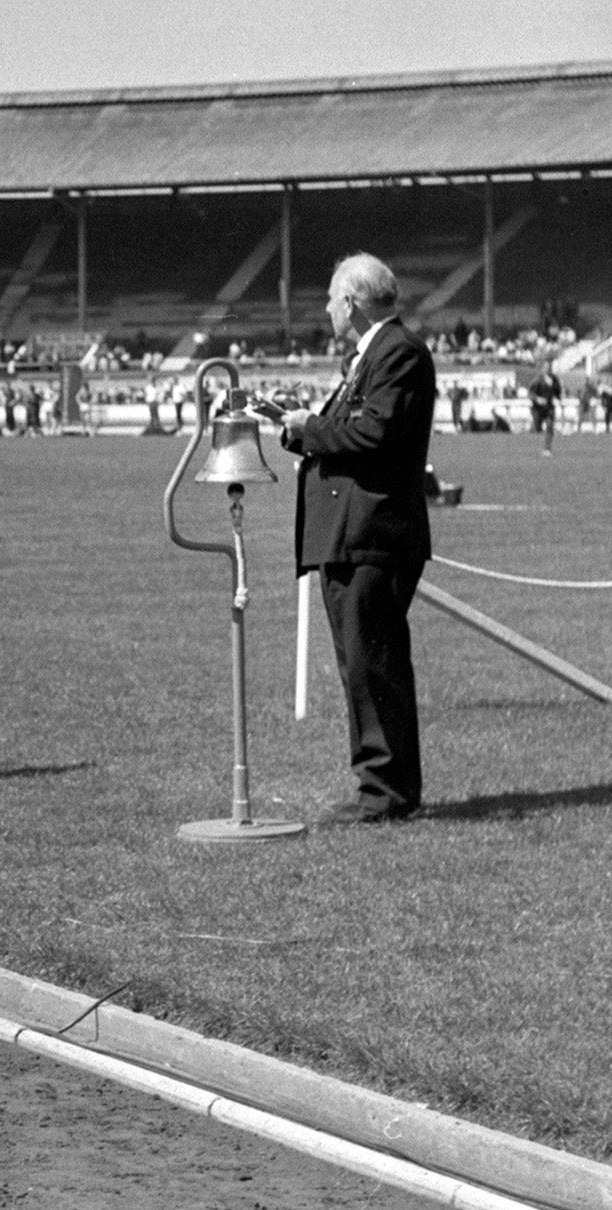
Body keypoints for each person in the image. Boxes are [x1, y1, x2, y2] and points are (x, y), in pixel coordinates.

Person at [280, 253, 435, 825]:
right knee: (363, 664)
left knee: (373, 664)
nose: (326, 310)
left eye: (329, 299)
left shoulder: (397, 352)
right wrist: (304, 431)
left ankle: (386, 792)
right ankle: (380, 786)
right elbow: (361, 430)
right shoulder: (376, 355)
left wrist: (310, 429)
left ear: (350, 301)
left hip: (375, 533)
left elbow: (374, 434)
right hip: (354, 533)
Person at [527, 363, 562, 455]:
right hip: (537, 408)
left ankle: (547, 449)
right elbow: (530, 393)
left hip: (549, 407)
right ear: (542, 369)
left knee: (550, 426)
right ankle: (536, 429)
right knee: (537, 428)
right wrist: (538, 399)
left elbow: (558, 392)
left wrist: (554, 386)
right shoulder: (537, 380)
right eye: (546, 368)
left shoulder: (554, 379)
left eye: (549, 368)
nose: (548, 369)